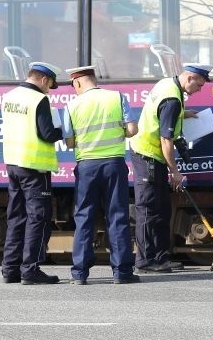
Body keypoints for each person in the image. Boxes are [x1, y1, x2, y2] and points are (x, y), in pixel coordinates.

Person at [130, 63, 212, 273]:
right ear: (190, 78)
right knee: (149, 209)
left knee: (162, 209)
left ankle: (160, 257)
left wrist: (184, 114)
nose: (199, 90)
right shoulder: (173, 100)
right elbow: (166, 139)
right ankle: (146, 261)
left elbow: (161, 112)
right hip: (148, 155)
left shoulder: (168, 84)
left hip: (151, 156)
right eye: (199, 85)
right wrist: (174, 172)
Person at [63, 65, 140, 285]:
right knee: (117, 217)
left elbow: (69, 143)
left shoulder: (71, 105)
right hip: (114, 164)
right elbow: (133, 130)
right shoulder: (116, 97)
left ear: (77, 83)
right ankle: (122, 273)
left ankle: (79, 274)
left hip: (86, 166)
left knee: (84, 218)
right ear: (94, 79)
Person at [0, 61, 63, 285]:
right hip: (35, 167)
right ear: (44, 80)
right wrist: (63, 129)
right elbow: (47, 133)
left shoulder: (9, 96)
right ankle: (31, 269)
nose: (49, 90)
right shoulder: (39, 99)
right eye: (50, 85)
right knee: (38, 218)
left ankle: (10, 269)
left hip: (13, 164)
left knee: (16, 217)